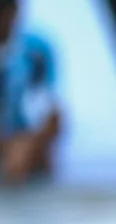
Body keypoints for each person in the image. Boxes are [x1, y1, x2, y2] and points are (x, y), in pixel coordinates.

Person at [0, 0, 61, 184]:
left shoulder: (36, 49)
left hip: (21, 130)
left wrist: (30, 140)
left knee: (55, 119)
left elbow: (47, 103)